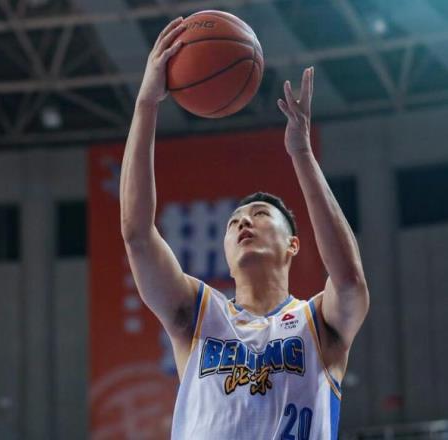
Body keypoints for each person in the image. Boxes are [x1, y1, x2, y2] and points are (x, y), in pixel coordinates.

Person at [120, 16, 369, 439]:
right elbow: (137, 235)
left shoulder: (318, 321)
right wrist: (146, 104)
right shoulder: (199, 315)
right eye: (234, 221)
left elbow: (349, 279)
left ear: (293, 244)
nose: (243, 223)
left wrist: (302, 154)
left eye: (259, 214)